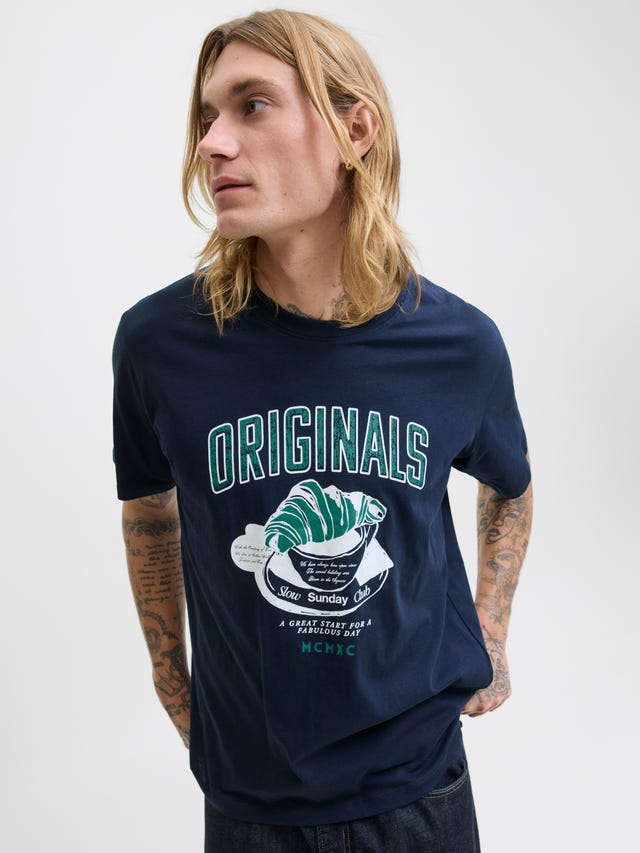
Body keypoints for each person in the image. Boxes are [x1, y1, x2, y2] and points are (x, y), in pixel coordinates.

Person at [112, 8, 533, 852]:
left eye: (252, 105)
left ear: (355, 131)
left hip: (420, 792)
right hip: (249, 802)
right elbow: (148, 510)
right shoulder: (160, 343)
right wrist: (174, 686)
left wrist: (490, 633)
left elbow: (510, 487)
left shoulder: (458, 343)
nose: (212, 143)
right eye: (207, 116)